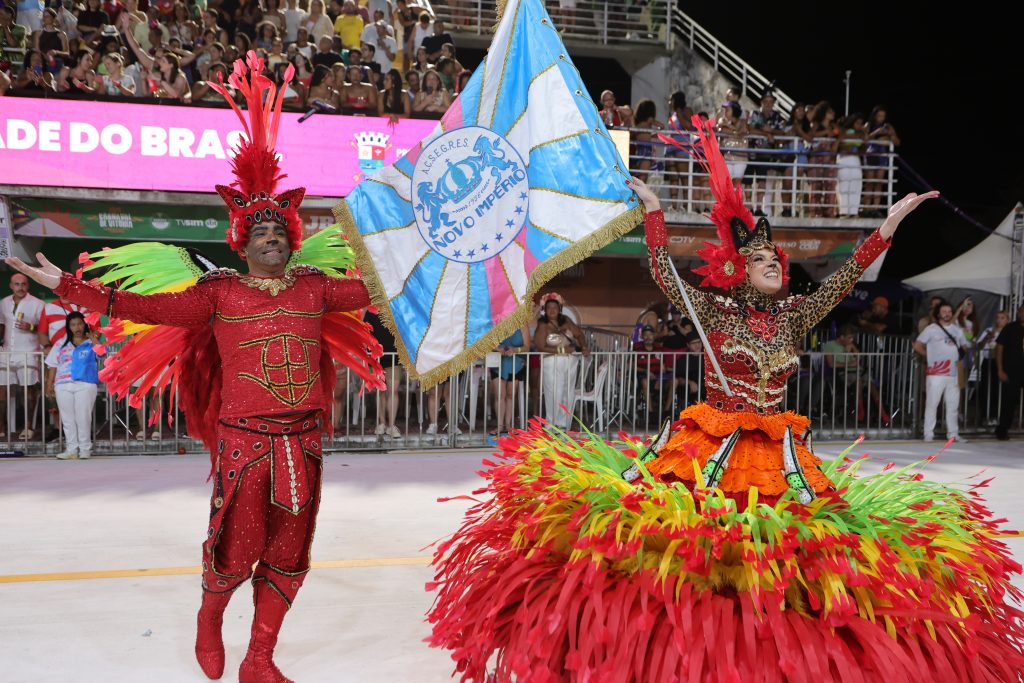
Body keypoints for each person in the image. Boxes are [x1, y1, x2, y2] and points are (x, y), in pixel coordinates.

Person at [428, 118, 1024, 679]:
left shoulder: (795, 315)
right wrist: (656, 211)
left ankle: (768, 653)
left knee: (785, 555)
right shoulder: (715, 309)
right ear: (740, 266)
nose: (777, 266)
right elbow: (664, 272)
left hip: (780, 451)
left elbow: (843, 280)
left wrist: (889, 225)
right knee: (706, 554)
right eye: (764, 259)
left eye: (780, 261)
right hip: (713, 445)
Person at [5, 56, 383, 682]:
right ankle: (210, 619)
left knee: (291, 556)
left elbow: (377, 289)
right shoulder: (219, 293)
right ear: (240, 238)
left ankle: (259, 659)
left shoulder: (317, 287)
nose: (271, 237)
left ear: (292, 234)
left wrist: (439, 245)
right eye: (258, 229)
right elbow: (141, 306)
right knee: (234, 553)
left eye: (278, 228)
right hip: (246, 443)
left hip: (305, 441)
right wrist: (69, 288)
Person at [44, 311, 100, 460]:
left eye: (80, 323)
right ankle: (71, 449)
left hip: (85, 383)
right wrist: (49, 384)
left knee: (83, 417)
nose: (77, 327)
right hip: (62, 384)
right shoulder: (61, 343)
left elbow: (102, 354)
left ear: (85, 324)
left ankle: (85, 449)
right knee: (68, 418)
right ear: (69, 327)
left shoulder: (90, 342)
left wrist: (94, 340)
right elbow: (52, 365)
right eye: (73, 324)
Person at [533, 292, 589, 430]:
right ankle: (552, 424)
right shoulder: (542, 324)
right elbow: (540, 346)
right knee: (553, 392)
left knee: (567, 392)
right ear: (544, 310)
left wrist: (584, 346)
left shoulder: (567, 321)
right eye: (549, 308)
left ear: (559, 309)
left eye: (555, 307)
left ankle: (565, 424)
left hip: (570, 362)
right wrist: (562, 351)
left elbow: (579, 334)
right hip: (551, 363)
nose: (552, 310)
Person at [914, 302, 968, 442]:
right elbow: (918, 345)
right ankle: (928, 433)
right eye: (944, 311)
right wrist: (929, 356)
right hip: (936, 373)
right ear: (938, 313)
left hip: (953, 373)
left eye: (949, 311)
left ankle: (953, 433)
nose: (947, 313)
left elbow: (964, 346)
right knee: (932, 403)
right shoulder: (931, 329)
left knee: (953, 405)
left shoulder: (957, 330)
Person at [1, 272, 45, 441]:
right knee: (2, 390)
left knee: (29, 390)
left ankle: (28, 427)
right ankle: (1, 428)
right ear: (11, 286)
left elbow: (43, 329)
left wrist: (31, 327)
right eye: (17, 284)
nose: (20, 287)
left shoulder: (37, 304)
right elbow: (2, 327)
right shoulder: (4, 303)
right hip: (6, 351)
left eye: (23, 284)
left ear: (28, 285)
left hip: (28, 351)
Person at [488, 328, 527, 436]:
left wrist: (515, 350)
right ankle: (500, 426)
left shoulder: (522, 324)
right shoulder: (495, 321)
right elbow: (484, 343)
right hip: (497, 362)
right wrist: (497, 349)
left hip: (516, 363)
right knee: (500, 395)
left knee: (510, 395)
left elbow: (527, 346)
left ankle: (509, 425)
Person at [995, 304, 1024, 441]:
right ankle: (1002, 429)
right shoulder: (1010, 328)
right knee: (1009, 401)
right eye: (1021, 311)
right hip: (1012, 370)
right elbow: (999, 348)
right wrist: (1000, 369)